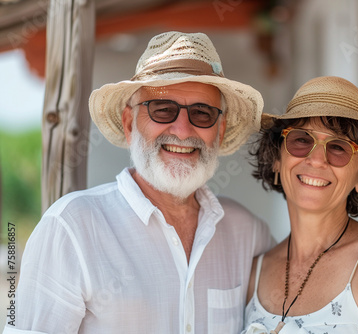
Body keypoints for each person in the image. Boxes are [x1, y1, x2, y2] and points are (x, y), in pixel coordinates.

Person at [3, 31, 274, 334]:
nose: (183, 131)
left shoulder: (250, 234)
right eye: (162, 109)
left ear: (220, 131)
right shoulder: (71, 227)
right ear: (130, 123)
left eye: (202, 113)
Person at [242, 76, 358, 333]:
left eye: (339, 147)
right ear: (276, 158)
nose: (317, 159)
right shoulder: (253, 272)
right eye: (301, 139)